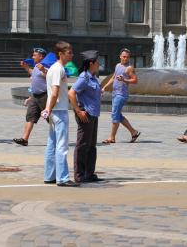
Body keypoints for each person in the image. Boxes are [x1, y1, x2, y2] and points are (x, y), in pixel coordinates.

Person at [41, 41, 79, 187]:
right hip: (59, 110)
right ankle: (62, 178)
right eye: (69, 52)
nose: (72, 54)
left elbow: (50, 92)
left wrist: (47, 110)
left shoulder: (52, 69)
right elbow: (55, 92)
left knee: (52, 144)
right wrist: (49, 109)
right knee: (62, 146)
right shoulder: (58, 69)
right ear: (60, 54)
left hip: (53, 111)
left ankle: (49, 175)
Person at [68, 50, 103, 183]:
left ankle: (89, 173)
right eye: (97, 61)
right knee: (82, 145)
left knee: (91, 145)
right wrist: (78, 111)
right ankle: (79, 174)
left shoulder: (93, 77)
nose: (99, 64)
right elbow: (71, 93)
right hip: (86, 114)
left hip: (93, 114)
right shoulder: (84, 77)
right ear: (91, 63)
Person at [101, 48, 141, 144]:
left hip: (121, 95)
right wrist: (105, 87)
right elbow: (114, 77)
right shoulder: (118, 66)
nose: (125, 58)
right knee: (118, 115)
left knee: (115, 115)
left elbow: (135, 80)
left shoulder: (129, 68)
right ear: (120, 56)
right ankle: (134, 132)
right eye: (123, 56)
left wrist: (124, 80)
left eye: (127, 57)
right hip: (115, 93)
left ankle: (112, 138)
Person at [13, 47, 48, 146]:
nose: (33, 57)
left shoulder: (46, 66)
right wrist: (26, 68)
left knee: (51, 118)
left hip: (44, 96)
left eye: (35, 55)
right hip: (35, 96)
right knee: (30, 117)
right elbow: (34, 75)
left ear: (41, 56)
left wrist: (44, 70)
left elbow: (51, 77)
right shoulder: (37, 66)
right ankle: (25, 139)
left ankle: (58, 137)